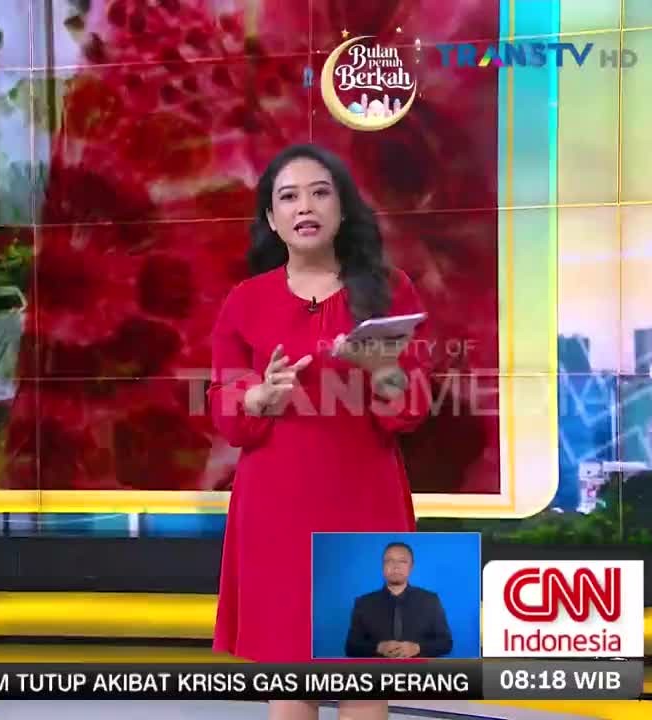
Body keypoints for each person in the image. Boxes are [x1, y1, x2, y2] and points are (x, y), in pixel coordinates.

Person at [208, 143, 432, 720]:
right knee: (291, 671)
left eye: (319, 192)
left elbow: (410, 405)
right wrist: (260, 395)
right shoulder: (244, 302)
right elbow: (224, 408)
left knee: (365, 672)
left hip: (364, 498)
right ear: (272, 219)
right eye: (288, 196)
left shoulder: (388, 291)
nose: (304, 206)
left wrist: (375, 368)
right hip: (276, 507)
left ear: (341, 209)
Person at [345, 542, 453, 659]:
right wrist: (378, 647)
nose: (396, 566)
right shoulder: (363, 603)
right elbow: (351, 647)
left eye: (402, 561)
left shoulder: (430, 601)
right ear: (383, 566)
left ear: (411, 567)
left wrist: (417, 648)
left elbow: (446, 643)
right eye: (389, 561)